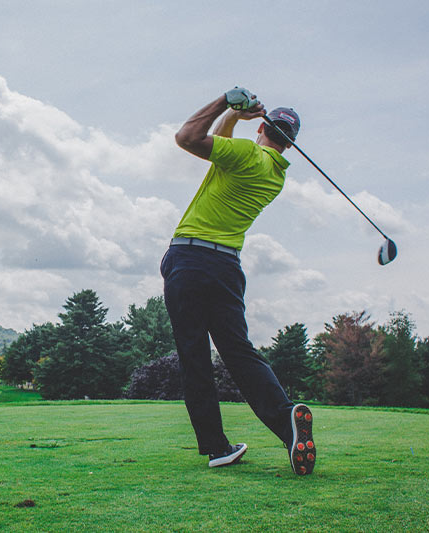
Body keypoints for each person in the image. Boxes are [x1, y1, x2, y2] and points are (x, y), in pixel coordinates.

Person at [160, 87, 315, 475]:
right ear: (291, 146)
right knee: (240, 353)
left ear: (262, 127)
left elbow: (188, 138)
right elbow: (223, 145)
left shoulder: (247, 155)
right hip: (227, 268)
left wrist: (223, 102)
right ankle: (286, 424)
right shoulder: (274, 174)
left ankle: (216, 447)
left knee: (195, 358)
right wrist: (235, 117)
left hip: (191, 260)